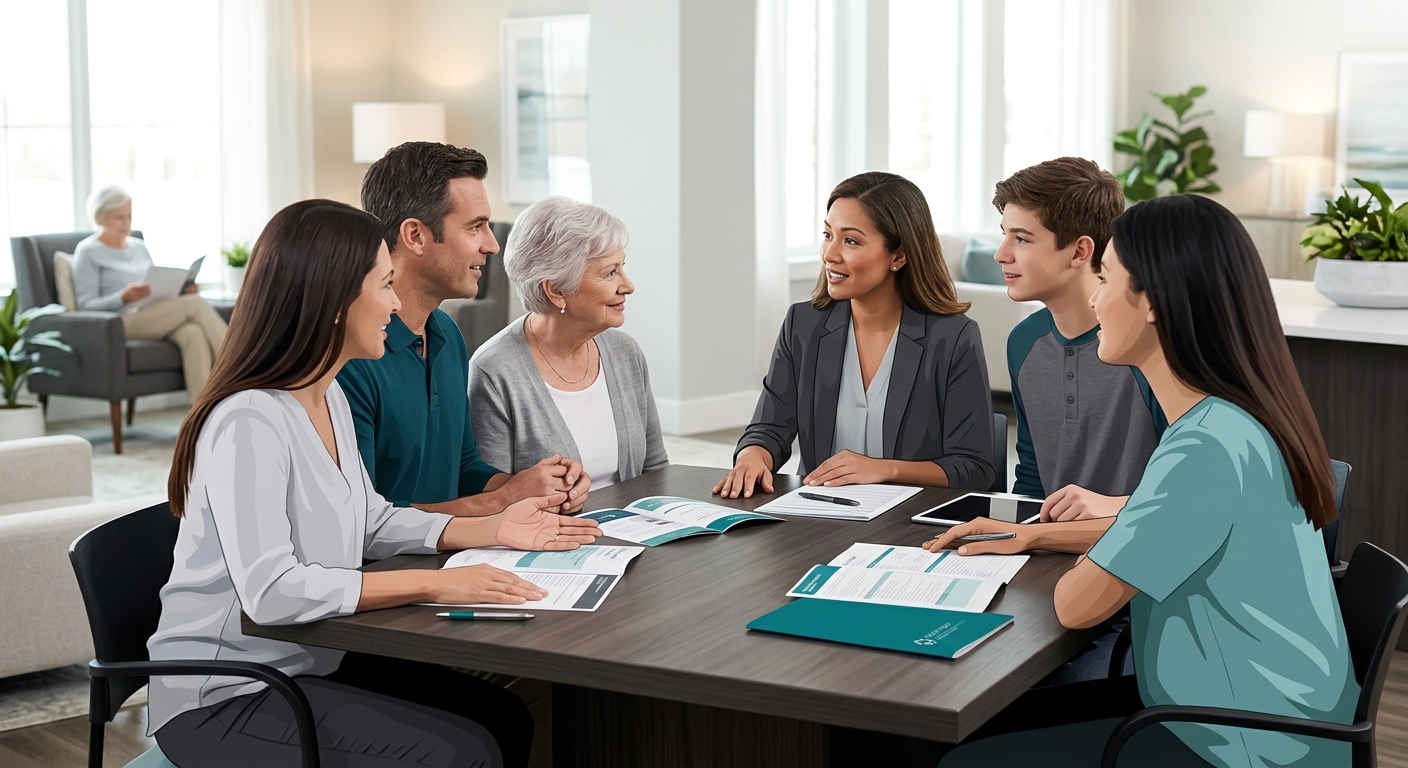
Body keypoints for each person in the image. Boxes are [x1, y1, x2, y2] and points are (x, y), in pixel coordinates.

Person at [148, 199, 601, 768]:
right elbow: (271, 591)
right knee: (464, 753)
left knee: (505, 717)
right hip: (226, 694)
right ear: (336, 302)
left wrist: (494, 527)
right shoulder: (249, 421)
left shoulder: (326, 395)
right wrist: (433, 585)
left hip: (312, 662)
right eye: (385, 285)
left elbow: (371, 520)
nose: (394, 302)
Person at [927, 194, 1358, 768]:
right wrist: (1036, 536)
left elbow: (1076, 605)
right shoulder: (1232, 420)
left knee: (961, 760)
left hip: (1239, 741)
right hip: (1264, 717)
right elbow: (1161, 532)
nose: (1097, 299)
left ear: (1151, 301)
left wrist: (1083, 542)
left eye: (1105, 278)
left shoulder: (1202, 449)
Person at [340, 142, 591, 516]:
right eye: (476, 227)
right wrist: (500, 501)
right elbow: (361, 520)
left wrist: (534, 487)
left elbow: (465, 467)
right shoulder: (351, 354)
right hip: (387, 570)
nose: (492, 245)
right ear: (415, 236)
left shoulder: (446, 333)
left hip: (455, 552)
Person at [715, 171, 995, 498]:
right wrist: (753, 456)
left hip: (908, 524)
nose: (830, 254)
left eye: (850, 240)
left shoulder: (952, 337)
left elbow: (975, 467)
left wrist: (884, 468)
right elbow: (768, 428)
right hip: (820, 519)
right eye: (827, 234)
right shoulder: (803, 325)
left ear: (899, 256)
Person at [994, 158, 1167, 521]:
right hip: (1050, 548)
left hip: (1144, 547)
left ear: (1079, 251)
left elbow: (1191, 491)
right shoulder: (1023, 342)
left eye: (1021, 238)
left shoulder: (1147, 342)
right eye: (1004, 234)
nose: (1001, 254)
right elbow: (1031, 478)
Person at [469, 197, 668, 490]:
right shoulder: (494, 371)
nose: (628, 286)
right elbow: (492, 497)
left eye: (622, 267)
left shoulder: (626, 352)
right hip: (548, 534)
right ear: (557, 290)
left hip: (633, 532)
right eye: (610, 273)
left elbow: (655, 470)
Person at [71, 185, 226, 402]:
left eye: (129, 216)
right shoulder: (88, 251)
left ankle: (201, 415)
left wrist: (182, 290)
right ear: (101, 218)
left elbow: (155, 285)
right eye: (119, 217)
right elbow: (85, 306)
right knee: (195, 304)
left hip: (153, 314)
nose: (127, 223)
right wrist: (122, 297)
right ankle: (241, 365)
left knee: (193, 334)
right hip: (122, 321)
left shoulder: (138, 247)